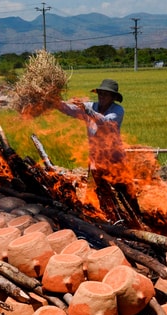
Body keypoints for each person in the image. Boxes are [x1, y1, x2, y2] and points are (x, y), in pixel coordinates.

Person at [57, 79, 140, 221]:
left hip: (115, 158)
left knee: (126, 189)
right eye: (100, 94)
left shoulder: (117, 110)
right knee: (102, 190)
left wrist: (87, 110)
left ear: (113, 97)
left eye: (106, 94)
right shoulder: (91, 106)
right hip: (96, 158)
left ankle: (139, 216)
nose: (102, 97)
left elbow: (105, 122)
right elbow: (69, 110)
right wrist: (53, 101)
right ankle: (112, 220)